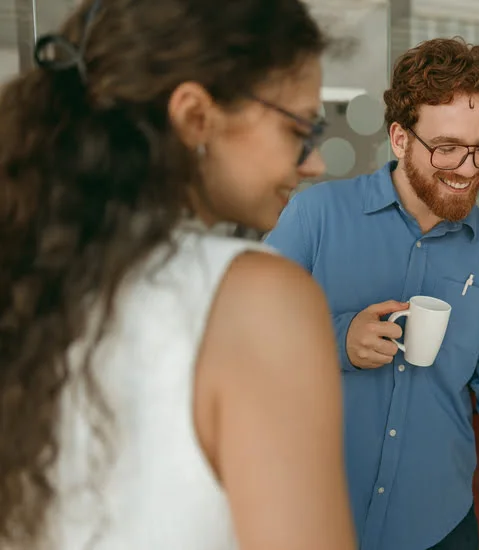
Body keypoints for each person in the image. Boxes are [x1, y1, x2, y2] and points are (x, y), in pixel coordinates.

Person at [0, 1, 356, 549]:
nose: (314, 163)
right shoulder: (259, 300)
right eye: (299, 129)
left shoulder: (27, 279)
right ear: (195, 116)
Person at [266, 38, 479, 550]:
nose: (468, 168)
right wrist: (338, 340)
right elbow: (242, 337)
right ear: (399, 138)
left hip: (439, 528)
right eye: (446, 148)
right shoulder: (314, 216)